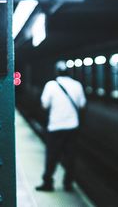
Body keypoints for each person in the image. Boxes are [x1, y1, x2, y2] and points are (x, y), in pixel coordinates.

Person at [36, 60, 86, 192]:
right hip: (72, 127)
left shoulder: (51, 85)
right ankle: (68, 183)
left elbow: (44, 105)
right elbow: (82, 105)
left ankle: (48, 182)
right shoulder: (77, 85)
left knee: (52, 156)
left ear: (56, 71)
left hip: (55, 127)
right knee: (70, 156)